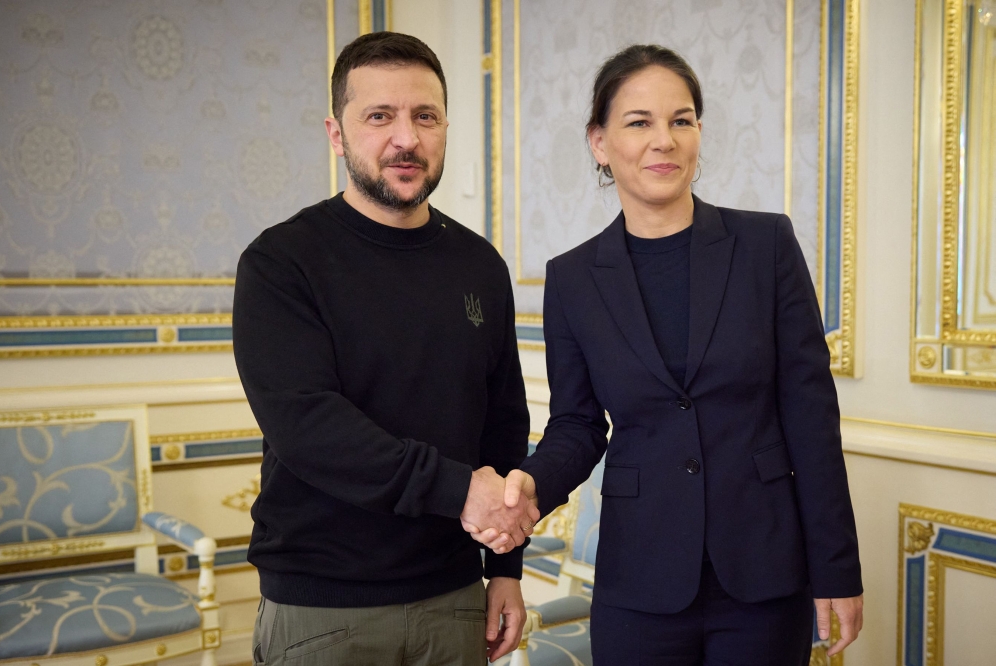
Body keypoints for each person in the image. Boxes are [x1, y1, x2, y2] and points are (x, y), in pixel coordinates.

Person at [474, 45, 864, 665]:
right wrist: (530, 482)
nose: (665, 140)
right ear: (600, 142)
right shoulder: (572, 279)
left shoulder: (765, 246)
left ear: (699, 133)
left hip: (764, 574)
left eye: (681, 120)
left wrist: (837, 569)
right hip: (640, 578)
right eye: (640, 123)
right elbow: (578, 425)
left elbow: (811, 418)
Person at [233, 32, 539, 666]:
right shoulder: (281, 262)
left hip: (455, 599)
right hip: (323, 610)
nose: (407, 138)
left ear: (445, 127)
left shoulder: (480, 265)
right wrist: (459, 490)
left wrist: (504, 567)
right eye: (380, 116)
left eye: (424, 116)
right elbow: (310, 428)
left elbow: (504, 421)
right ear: (336, 133)